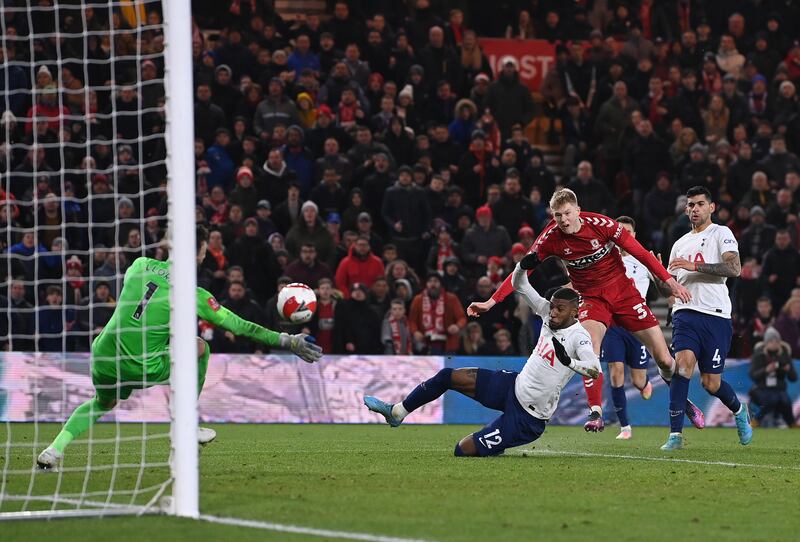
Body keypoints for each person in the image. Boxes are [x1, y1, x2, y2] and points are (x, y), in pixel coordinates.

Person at [36, 226, 322, 470]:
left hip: (103, 356)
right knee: (200, 347)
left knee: (102, 402)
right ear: (197, 253)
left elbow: (143, 309)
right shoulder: (194, 295)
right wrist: (287, 340)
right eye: (202, 250)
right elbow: (241, 326)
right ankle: (187, 423)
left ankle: (54, 449)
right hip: (140, 365)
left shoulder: (138, 266)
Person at [468, 188, 702, 436]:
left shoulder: (602, 225)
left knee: (665, 360)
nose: (564, 220)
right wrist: (491, 302)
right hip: (591, 299)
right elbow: (521, 272)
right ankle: (595, 412)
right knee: (589, 350)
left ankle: (679, 396)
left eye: (567, 213)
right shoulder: (550, 238)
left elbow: (642, 253)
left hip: (624, 294)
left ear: (578, 210)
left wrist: (670, 281)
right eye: (558, 216)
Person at [364, 264, 600, 457]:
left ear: (575, 313)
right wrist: (522, 266)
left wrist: (570, 363)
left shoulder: (579, 337)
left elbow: (594, 370)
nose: (553, 313)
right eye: (553, 308)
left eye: (559, 309)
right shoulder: (548, 313)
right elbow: (520, 284)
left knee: (462, 450)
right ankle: (397, 412)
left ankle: (498, 442)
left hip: (528, 417)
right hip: (512, 386)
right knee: (447, 376)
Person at [663, 185, 752, 450]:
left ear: (711, 207)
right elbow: (669, 288)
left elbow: (734, 268)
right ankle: (675, 435)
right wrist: (660, 279)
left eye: (700, 204)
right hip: (685, 314)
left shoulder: (721, 233)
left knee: (710, 382)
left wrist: (695, 266)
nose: (694, 209)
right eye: (690, 205)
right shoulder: (679, 244)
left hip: (715, 316)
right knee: (682, 367)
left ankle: (739, 411)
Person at [602, 216, 671, 440]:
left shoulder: (644, 259)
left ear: (634, 236)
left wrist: (661, 275)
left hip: (637, 326)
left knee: (639, 380)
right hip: (613, 325)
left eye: (628, 232)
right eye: (620, 231)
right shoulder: (605, 259)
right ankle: (625, 427)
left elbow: (664, 289)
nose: (624, 235)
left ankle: (644, 384)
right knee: (615, 372)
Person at [749, 327, 798, 427]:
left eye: (776, 341)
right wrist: (766, 370)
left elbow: (794, 378)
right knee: (772, 398)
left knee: (784, 400)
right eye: (771, 341)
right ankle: (756, 421)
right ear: (766, 343)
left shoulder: (784, 355)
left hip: (779, 389)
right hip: (762, 389)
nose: (774, 343)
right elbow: (753, 375)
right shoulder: (759, 355)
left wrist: (788, 370)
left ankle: (791, 423)